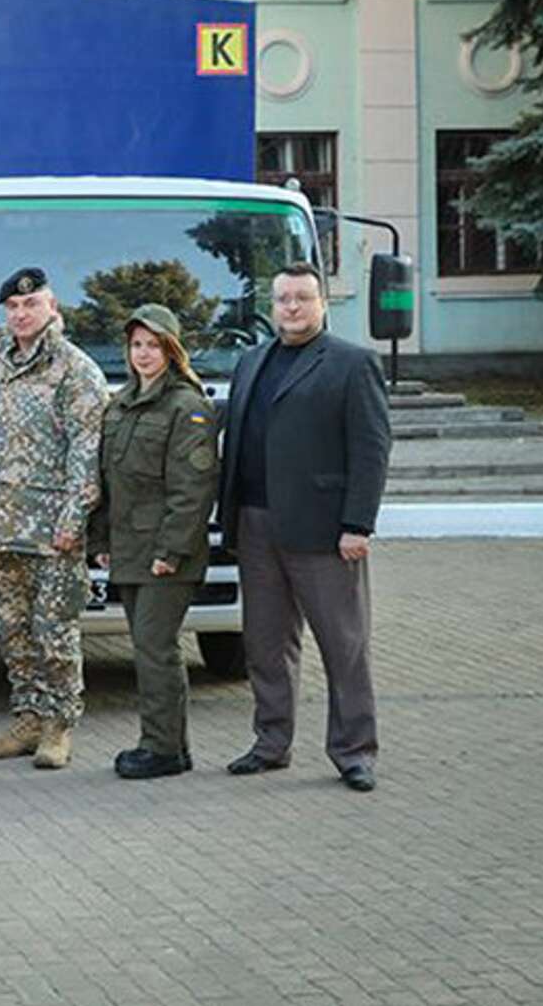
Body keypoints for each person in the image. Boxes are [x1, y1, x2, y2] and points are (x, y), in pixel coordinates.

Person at [217, 262, 391, 793]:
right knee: (266, 644)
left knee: (344, 644)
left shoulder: (351, 363)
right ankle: (271, 743)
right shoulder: (251, 361)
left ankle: (354, 752)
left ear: (322, 305)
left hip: (324, 531)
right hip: (255, 524)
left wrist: (357, 523)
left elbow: (371, 448)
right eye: (283, 299)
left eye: (302, 299)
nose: (291, 308)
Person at [0, 267, 108, 770]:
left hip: (52, 530)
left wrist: (73, 518)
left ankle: (60, 726)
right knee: (15, 631)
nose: (21, 315)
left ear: (52, 307)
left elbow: (87, 451)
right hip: (1, 522)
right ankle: (27, 719)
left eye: (31, 305)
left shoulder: (75, 369)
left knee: (55, 631)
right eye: (14, 308)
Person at [89, 304, 220, 780]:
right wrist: (99, 539)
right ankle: (171, 747)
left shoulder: (188, 407)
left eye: (153, 345)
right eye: (136, 345)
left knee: (154, 647)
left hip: (167, 554)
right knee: (149, 647)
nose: (143, 354)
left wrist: (171, 551)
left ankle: (161, 748)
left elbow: (193, 491)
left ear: (172, 349)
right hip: (129, 549)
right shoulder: (121, 403)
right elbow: (110, 480)